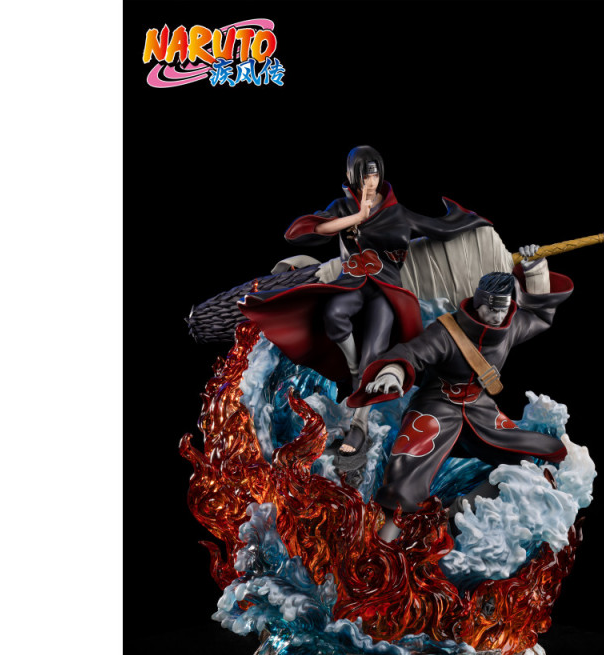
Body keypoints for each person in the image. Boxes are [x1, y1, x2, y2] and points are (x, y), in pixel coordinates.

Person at [239, 145, 491, 460]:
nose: (370, 182)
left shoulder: (398, 213)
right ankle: (354, 368)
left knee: (375, 349)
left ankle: (359, 424)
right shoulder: (343, 207)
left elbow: (441, 229)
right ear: (352, 176)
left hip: (388, 293)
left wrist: (475, 224)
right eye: (364, 176)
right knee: (334, 314)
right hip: (352, 283)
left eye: (374, 175)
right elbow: (302, 231)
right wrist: (356, 217)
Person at [347, 252, 573, 541]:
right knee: (405, 474)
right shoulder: (446, 332)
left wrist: (533, 270)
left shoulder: (509, 326)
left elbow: (539, 315)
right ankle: (385, 542)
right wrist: (394, 372)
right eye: (492, 310)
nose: (498, 317)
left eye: (503, 309)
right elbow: (413, 353)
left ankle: (456, 514)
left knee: (525, 459)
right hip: (436, 405)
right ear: (478, 304)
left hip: (480, 408)